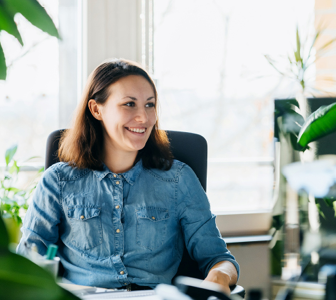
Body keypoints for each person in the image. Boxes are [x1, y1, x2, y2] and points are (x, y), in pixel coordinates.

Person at [17, 58, 239, 293]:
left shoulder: (178, 179)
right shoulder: (58, 181)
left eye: (150, 105)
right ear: (96, 109)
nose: (144, 118)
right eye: (129, 104)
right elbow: (27, 263)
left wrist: (219, 276)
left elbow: (220, 258)